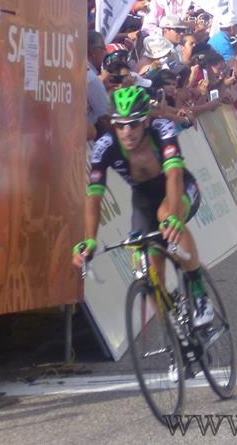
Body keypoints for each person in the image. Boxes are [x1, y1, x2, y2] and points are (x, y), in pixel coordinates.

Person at [72, 86, 214, 327]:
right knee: (147, 271)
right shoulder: (105, 146)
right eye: (120, 125)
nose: (127, 132)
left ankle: (199, 291)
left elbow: (174, 175)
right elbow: (94, 196)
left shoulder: (162, 129)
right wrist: (90, 240)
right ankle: (174, 335)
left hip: (178, 187)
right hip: (144, 201)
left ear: (146, 121)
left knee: (166, 216)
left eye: (134, 124)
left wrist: (174, 217)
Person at [85, 31, 111, 140]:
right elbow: (107, 117)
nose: (105, 53)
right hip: (83, 141)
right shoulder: (92, 79)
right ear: (94, 52)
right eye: (103, 49)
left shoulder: (76, 70)